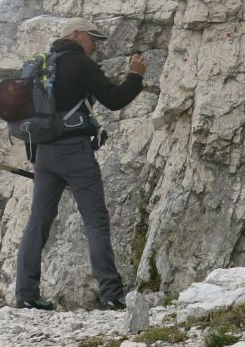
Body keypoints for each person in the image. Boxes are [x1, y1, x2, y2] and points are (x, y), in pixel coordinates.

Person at [15, 17, 147, 310]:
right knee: (95, 221)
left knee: (38, 222)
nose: (96, 45)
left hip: (43, 153)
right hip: (74, 151)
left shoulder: (40, 65)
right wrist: (135, 76)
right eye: (92, 38)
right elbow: (114, 99)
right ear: (76, 35)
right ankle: (111, 293)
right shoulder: (79, 64)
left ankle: (25, 294)